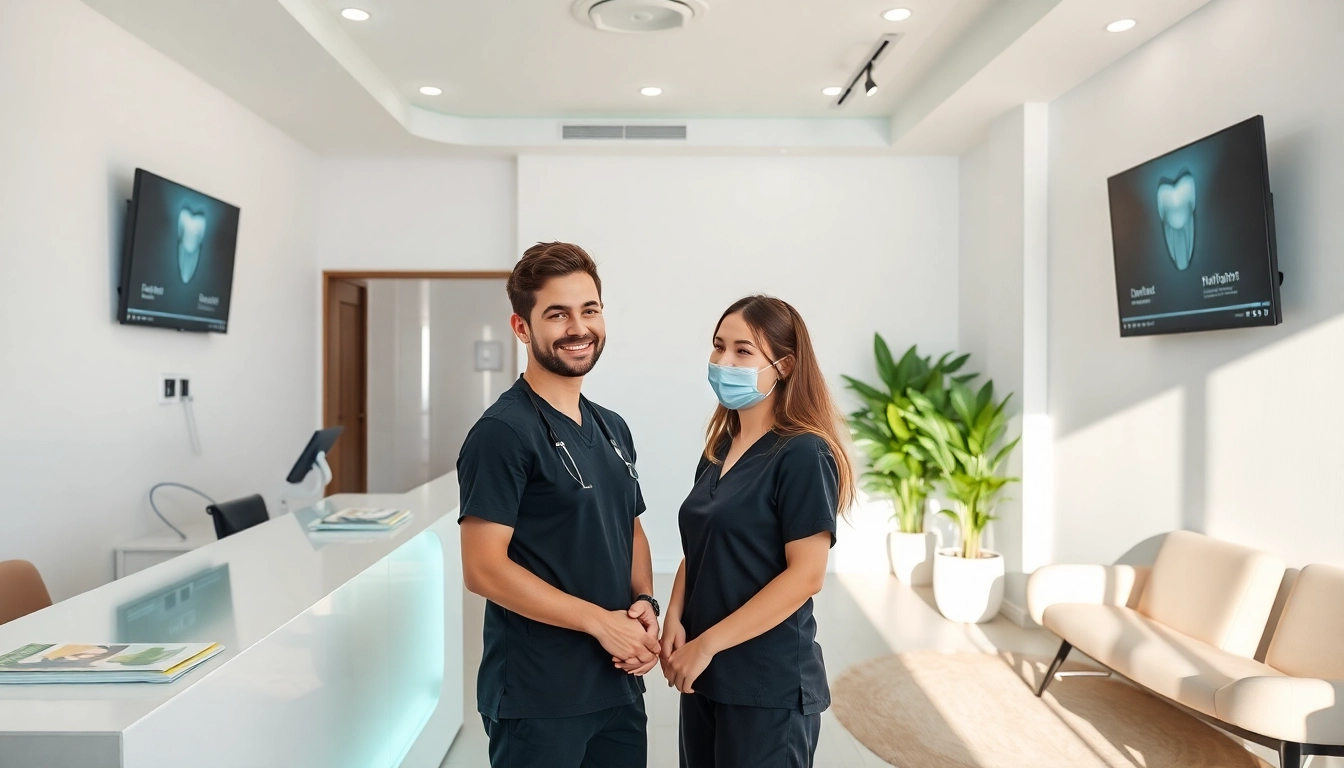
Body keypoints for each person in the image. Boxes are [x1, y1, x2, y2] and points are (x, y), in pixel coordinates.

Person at [457, 242, 659, 768]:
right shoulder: (502, 434)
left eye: (589, 309)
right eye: (558, 314)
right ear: (522, 327)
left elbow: (629, 529)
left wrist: (644, 604)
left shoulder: (612, 427)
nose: (578, 327)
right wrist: (600, 622)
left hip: (616, 685)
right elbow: (482, 569)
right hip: (539, 696)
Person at [660, 295, 856, 768]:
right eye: (718, 347)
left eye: (743, 351)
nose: (724, 362)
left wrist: (705, 645)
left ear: (784, 365)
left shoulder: (804, 454)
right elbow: (701, 548)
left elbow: (805, 576)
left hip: (767, 686)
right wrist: (674, 617)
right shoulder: (720, 449)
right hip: (705, 678)